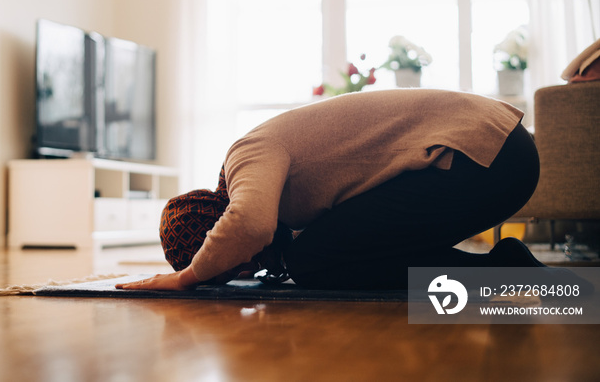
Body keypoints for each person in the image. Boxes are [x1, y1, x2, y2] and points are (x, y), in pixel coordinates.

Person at [116, 89, 541, 291]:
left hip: (485, 155)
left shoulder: (246, 153)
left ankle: (501, 274)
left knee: (315, 260)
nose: (243, 271)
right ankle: (501, 272)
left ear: (215, 222)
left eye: (229, 267)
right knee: (326, 252)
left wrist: (188, 279)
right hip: (493, 155)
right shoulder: (272, 176)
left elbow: (249, 224)